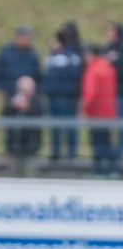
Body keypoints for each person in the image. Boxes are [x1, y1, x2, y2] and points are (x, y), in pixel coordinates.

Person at [42, 27, 82, 162]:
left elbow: (72, 78)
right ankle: (56, 153)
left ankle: (71, 154)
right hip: (53, 98)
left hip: (67, 98)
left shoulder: (70, 58)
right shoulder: (51, 58)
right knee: (55, 128)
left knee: (69, 127)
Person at [81, 46, 117, 176]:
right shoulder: (108, 67)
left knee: (97, 143)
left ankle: (98, 170)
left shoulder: (92, 70)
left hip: (95, 113)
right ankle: (112, 169)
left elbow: (91, 94)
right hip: (108, 112)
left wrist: (84, 110)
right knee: (107, 142)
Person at [4, 76, 43, 176]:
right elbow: (4, 116)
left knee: (30, 177)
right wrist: (13, 106)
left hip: (30, 150)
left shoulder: (37, 103)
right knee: (13, 178)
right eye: (22, 90)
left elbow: (36, 120)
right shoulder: (12, 103)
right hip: (14, 149)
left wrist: (27, 108)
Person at [0, 27, 41, 108]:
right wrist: (4, 88)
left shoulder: (33, 55)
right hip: (10, 93)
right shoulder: (5, 53)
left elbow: (37, 74)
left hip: (29, 96)